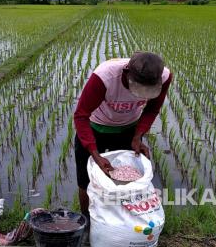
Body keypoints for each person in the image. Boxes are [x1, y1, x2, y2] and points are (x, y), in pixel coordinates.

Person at [73, 51, 173, 219]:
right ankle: (87, 219)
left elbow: (152, 109)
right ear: (127, 73)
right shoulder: (105, 77)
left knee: (128, 184)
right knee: (85, 180)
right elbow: (81, 115)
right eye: (138, 90)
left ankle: (122, 220)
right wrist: (95, 154)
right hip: (95, 128)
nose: (140, 96)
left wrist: (137, 136)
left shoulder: (164, 76)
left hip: (129, 130)